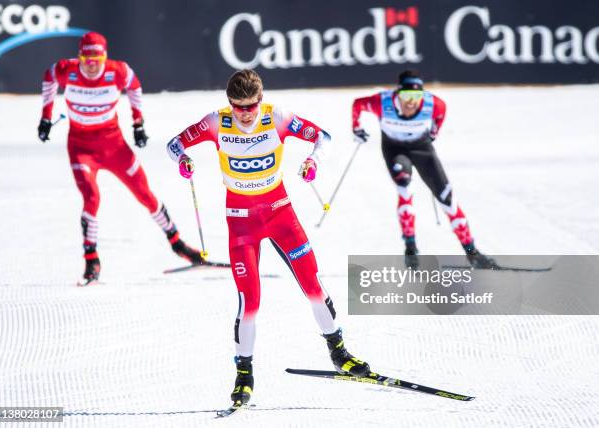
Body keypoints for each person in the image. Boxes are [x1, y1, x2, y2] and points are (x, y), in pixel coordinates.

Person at [166, 69, 370, 406]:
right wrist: (184, 159)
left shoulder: (276, 117)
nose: (245, 114)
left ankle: (339, 353)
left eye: (251, 106)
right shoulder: (217, 123)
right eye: (238, 107)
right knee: (251, 301)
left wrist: (312, 160)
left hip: (279, 214)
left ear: (261, 100)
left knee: (312, 284)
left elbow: (325, 138)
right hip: (241, 222)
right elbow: (174, 144)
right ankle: (244, 376)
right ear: (229, 103)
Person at [38, 31, 203, 285]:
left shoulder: (118, 71)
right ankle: (92, 260)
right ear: (79, 57)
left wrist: (138, 124)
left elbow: (134, 87)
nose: (92, 65)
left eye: (97, 59)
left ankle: (177, 243)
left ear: (105, 57)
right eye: (86, 59)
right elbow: (49, 77)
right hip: (81, 148)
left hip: (115, 146)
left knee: (144, 193)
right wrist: (45, 116)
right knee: (92, 197)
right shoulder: (65, 70)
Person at [351, 69, 496, 269]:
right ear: (397, 94)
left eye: (416, 96)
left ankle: (473, 253)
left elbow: (441, 113)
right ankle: (410, 248)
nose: (411, 102)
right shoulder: (381, 103)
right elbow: (358, 104)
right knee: (404, 186)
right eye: (406, 96)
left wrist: (434, 132)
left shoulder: (433, 104)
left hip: (422, 148)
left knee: (447, 198)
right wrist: (356, 128)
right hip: (395, 149)